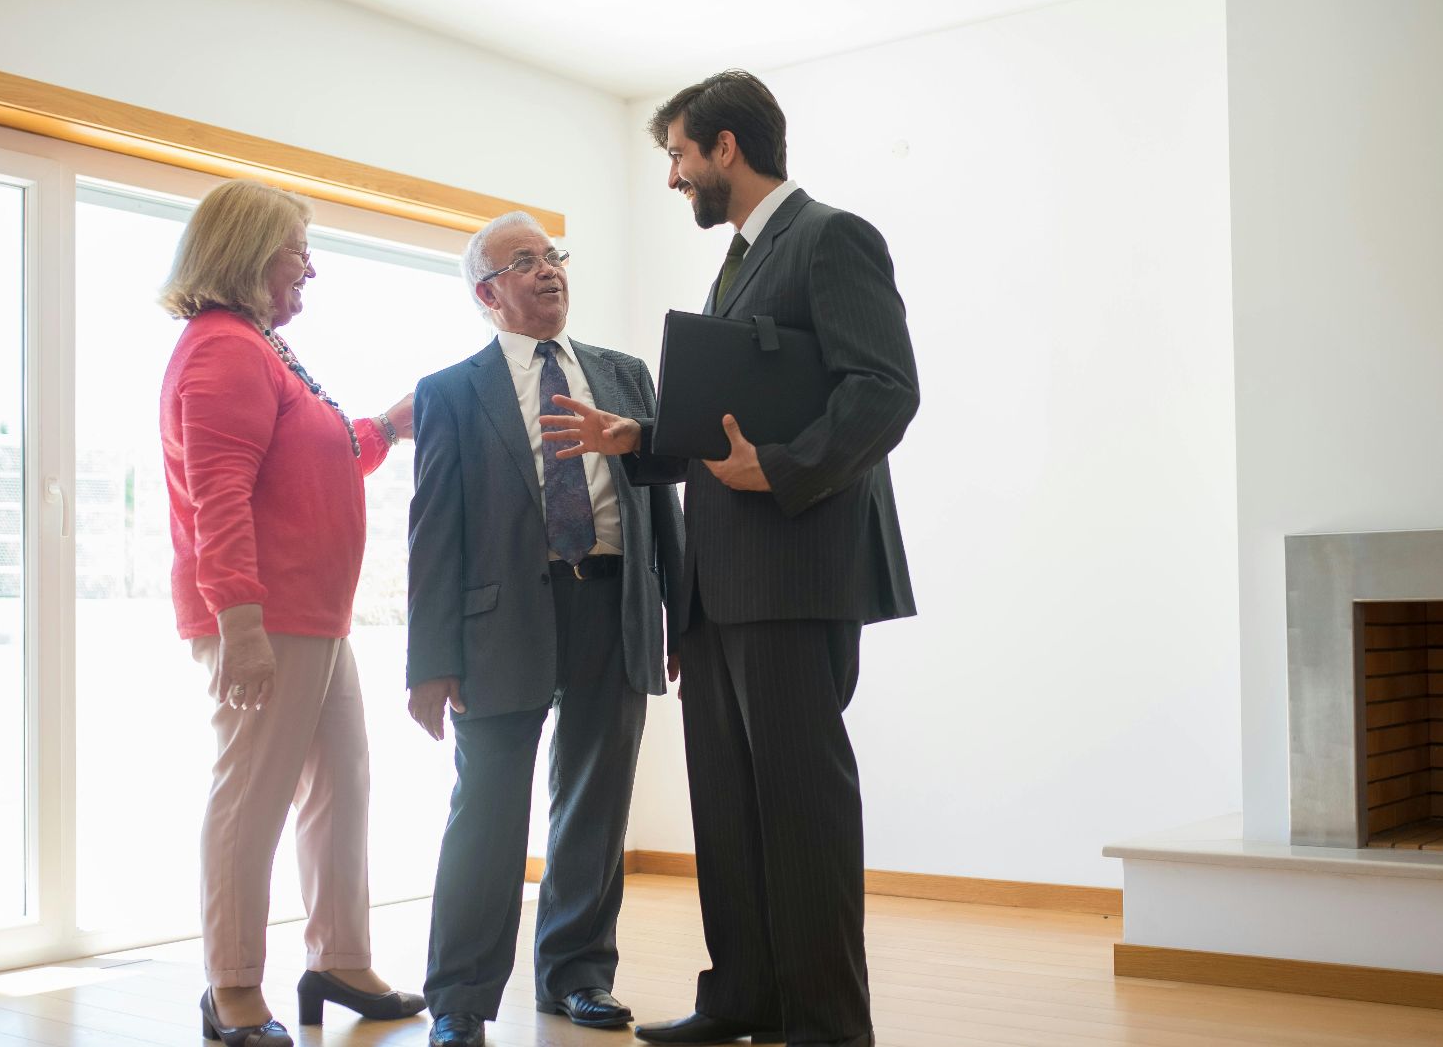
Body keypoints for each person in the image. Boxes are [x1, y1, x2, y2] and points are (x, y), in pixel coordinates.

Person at [540, 70, 918, 1047]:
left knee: (802, 809)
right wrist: (640, 438)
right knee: (729, 807)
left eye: (677, 153)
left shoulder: (831, 238)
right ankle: (742, 998)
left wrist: (779, 468)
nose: (672, 177)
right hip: (718, 585)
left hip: (795, 576)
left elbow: (883, 392)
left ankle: (829, 1028)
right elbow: (725, 418)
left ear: (725, 149)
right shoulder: (740, 261)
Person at [405, 211, 686, 1047]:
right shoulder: (451, 391)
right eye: (524, 263)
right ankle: (458, 998)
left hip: (612, 602)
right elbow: (434, 535)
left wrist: (678, 612)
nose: (548, 271)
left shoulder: (625, 375)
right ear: (488, 295)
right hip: (503, 621)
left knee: (595, 808)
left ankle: (577, 978)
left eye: (552, 256)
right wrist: (430, 661)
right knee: (487, 811)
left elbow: (659, 502)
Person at [158, 178, 425, 1047]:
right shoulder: (222, 351)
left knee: (341, 788)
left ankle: (338, 958)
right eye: (298, 249)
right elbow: (219, 501)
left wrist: (389, 424)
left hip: (317, 618)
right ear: (248, 252)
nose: (310, 266)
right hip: (265, 618)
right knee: (253, 799)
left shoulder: (265, 349)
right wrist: (240, 628)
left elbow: (328, 457)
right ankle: (231, 986)